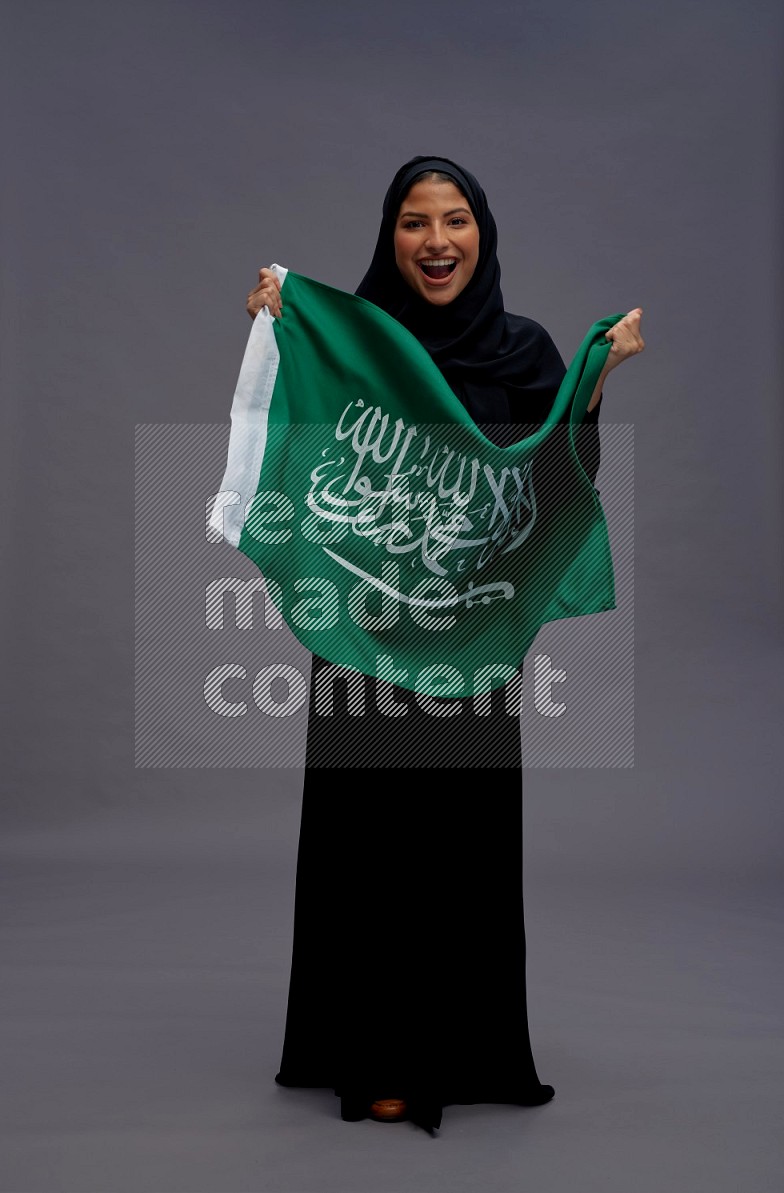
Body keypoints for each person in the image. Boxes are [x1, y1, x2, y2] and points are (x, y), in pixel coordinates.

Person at [245, 155, 644, 1134]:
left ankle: (465, 1049)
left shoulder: (522, 348)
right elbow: (298, 448)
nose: (435, 241)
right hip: (358, 632)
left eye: (454, 219)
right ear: (390, 235)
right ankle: (371, 1055)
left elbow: (558, 478)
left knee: (456, 850)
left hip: (470, 642)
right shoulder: (357, 348)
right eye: (414, 222)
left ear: (481, 233)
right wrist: (281, 327)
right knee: (366, 848)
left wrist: (591, 382)